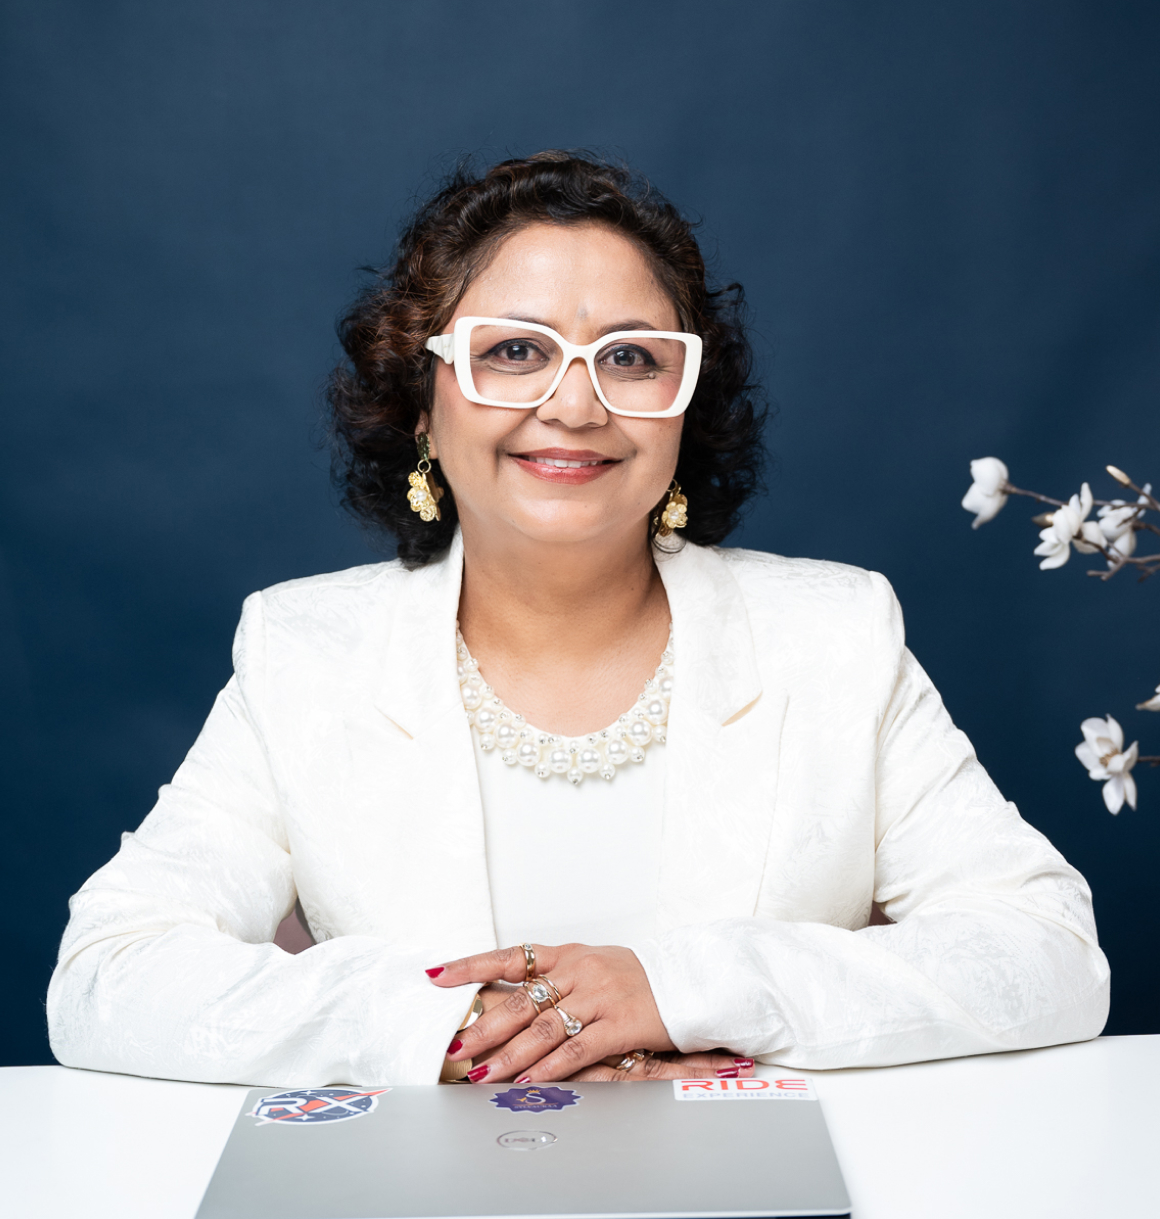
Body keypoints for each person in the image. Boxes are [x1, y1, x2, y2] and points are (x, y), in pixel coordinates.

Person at [47, 152, 1109, 1089]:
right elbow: (108, 974)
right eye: (514, 351)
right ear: (421, 403)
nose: (574, 405)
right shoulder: (304, 654)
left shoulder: (831, 636)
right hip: (421, 1209)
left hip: (762, 1208)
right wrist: (453, 1027)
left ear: (684, 409)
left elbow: (1046, 953)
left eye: (631, 357)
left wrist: (675, 989)